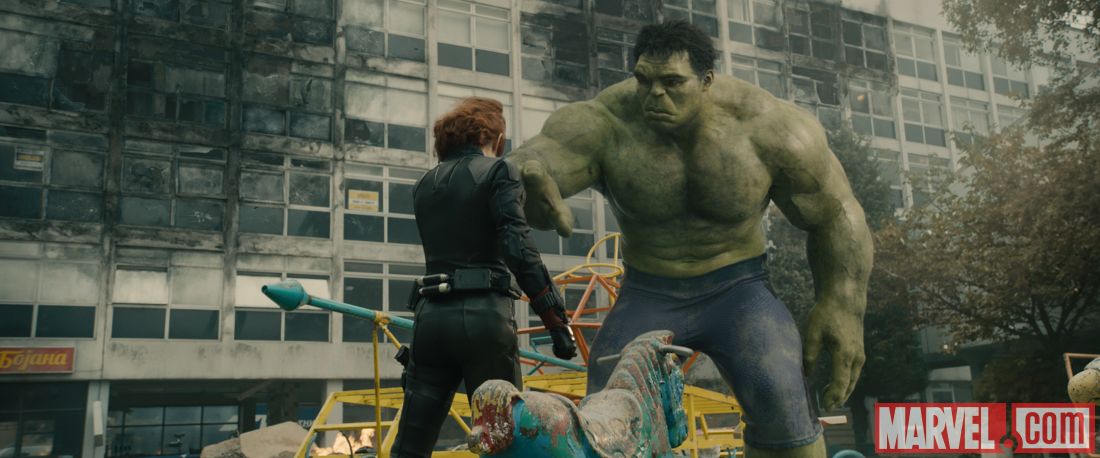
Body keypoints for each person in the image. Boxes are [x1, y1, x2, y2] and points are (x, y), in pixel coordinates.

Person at [505, 21, 873, 458]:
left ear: (707, 81)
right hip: (648, 293)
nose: (655, 94)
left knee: (781, 396)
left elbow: (837, 212)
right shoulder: (607, 123)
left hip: (738, 291)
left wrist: (842, 303)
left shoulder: (769, 127)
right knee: (608, 418)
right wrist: (521, 176)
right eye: (644, 80)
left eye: (673, 82)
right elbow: (536, 158)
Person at [391, 97, 578, 458]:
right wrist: (556, 320)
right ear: (494, 137)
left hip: (430, 320)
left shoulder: (424, 184)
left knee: (410, 447)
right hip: (484, 320)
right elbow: (518, 247)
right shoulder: (499, 171)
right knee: (503, 442)